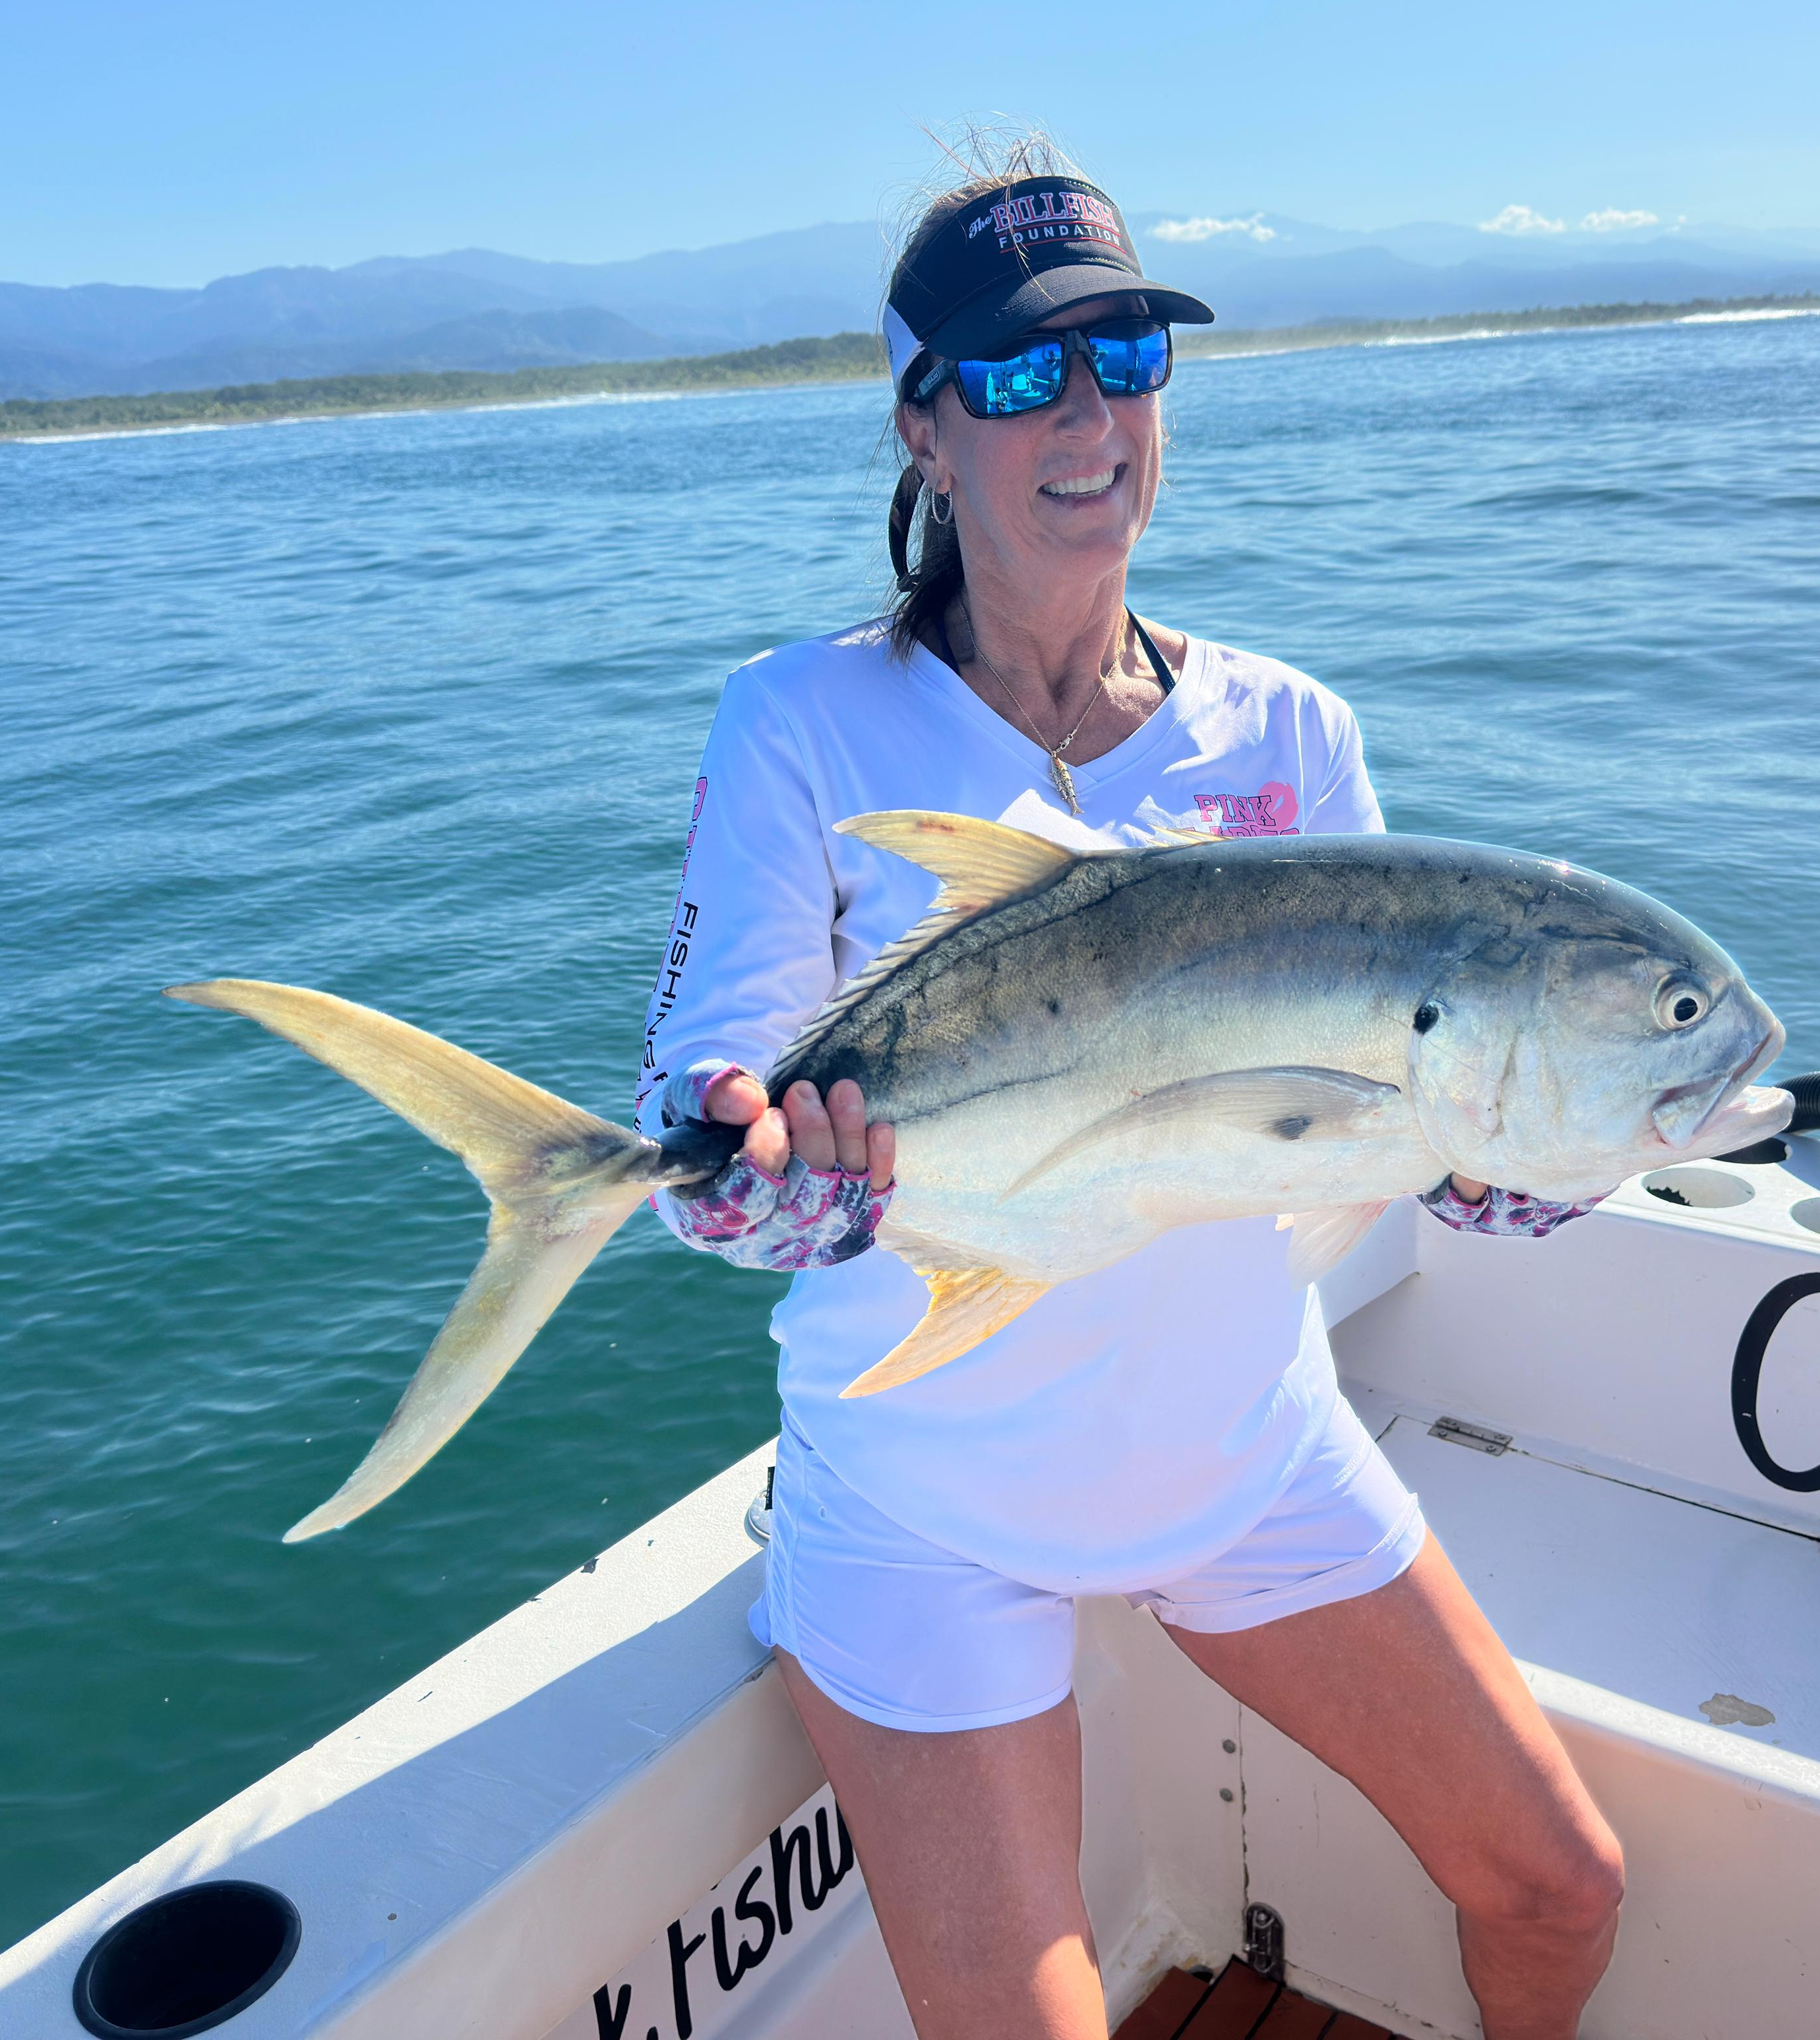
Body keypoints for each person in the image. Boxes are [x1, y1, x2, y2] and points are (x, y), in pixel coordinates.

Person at [636, 137, 1623, 2040]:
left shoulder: (1294, 731)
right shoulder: (803, 721)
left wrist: (1531, 1151)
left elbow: (1411, 1124)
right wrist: (779, 1172)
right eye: (1016, 374)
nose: (1083, 413)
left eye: (1125, 357)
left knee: (1561, 1891)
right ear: (925, 431)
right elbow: (709, 1164)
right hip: (925, 1496)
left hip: (1244, 1461)